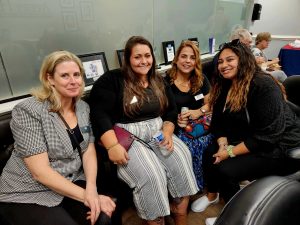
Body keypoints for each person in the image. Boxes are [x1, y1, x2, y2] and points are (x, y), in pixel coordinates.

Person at [88, 36, 198, 225]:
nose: (144, 61)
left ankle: (179, 213)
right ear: (127, 59)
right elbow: (99, 115)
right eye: (137, 57)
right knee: (151, 174)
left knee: (181, 158)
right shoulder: (112, 80)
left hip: (157, 131)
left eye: (147, 56)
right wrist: (112, 145)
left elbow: (171, 110)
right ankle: (155, 220)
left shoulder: (158, 80)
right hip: (127, 137)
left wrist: (168, 131)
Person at [190, 40, 300, 225]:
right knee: (210, 152)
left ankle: (236, 214)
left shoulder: (263, 85)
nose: (224, 65)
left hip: (281, 146)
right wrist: (222, 143)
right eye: (220, 62)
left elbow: (268, 137)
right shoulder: (226, 84)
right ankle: (213, 197)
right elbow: (218, 121)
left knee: (225, 169)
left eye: (230, 59)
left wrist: (229, 153)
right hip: (253, 136)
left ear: (243, 60)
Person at [0, 50, 116, 225]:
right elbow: (40, 172)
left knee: (103, 217)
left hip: (70, 182)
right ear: (50, 79)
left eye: (76, 74)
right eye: (64, 76)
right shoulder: (29, 110)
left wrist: (92, 189)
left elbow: (88, 150)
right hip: (28, 191)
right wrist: (89, 197)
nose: (73, 81)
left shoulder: (83, 107)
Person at [165, 40, 213, 191]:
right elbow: (163, 112)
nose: (187, 61)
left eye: (192, 58)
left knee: (200, 143)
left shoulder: (200, 79)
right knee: (186, 146)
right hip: (177, 128)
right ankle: (187, 187)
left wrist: (199, 112)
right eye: (184, 56)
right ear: (176, 58)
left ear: (196, 61)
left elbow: (211, 104)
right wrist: (176, 120)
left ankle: (200, 184)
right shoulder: (166, 82)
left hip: (202, 125)